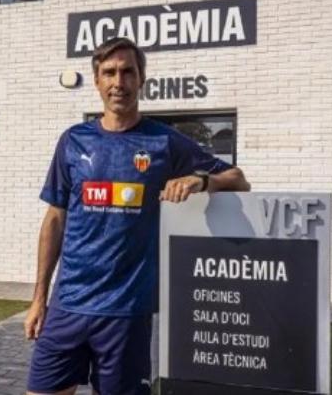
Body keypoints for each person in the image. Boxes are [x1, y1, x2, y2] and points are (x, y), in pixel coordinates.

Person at [25, 37, 250, 395]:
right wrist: (39, 299)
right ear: (96, 80)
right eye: (109, 73)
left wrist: (201, 180)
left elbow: (239, 179)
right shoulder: (73, 140)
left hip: (126, 314)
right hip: (67, 306)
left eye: (128, 72)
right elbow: (55, 219)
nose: (119, 82)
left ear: (142, 79)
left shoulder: (164, 142)